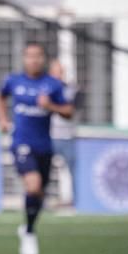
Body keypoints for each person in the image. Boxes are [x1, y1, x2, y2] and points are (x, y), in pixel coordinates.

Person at [0, 43, 74, 254]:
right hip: (21, 143)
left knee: (39, 194)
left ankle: (28, 226)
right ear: (24, 58)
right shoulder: (14, 81)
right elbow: (0, 96)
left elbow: (69, 111)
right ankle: (29, 234)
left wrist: (51, 107)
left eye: (38, 56)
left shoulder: (52, 85)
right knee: (33, 185)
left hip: (45, 146)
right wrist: (3, 119)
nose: (34, 60)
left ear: (44, 59)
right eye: (29, 56)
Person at [48, 59, 78, 207]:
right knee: (43, 170)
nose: (58, 75)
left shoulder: (69, 89)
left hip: (67, 136)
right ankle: (42, 201)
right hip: (48, 136)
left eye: (61, 71)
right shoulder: (43, 87)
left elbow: (69, 110)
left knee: (73, 170)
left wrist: (50, 105)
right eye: (56, 71)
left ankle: (75, 201)